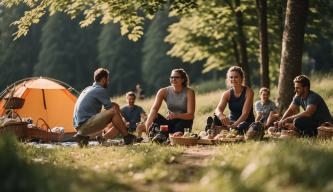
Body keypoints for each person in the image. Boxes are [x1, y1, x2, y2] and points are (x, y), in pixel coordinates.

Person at [73, 68, 136, 147]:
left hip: (80, 126)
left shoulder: (88, 89)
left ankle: (88, 138)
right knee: (114, 111)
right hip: (85, 126)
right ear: (103, 79)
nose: (108, 82)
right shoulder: (100, 90)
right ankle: (127, 137)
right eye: (107, 79)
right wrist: (121, 114)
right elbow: (112, 108)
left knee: (116, 116)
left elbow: (108, 107)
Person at [145, 68, 195, 142]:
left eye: (177, 77)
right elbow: (154, 109)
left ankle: (169, 135)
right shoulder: (163, 91)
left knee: (177, 135)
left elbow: (191, 115)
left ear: (183, 79)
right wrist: (147, 127)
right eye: (172, 77)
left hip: (184, 122)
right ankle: (160, 134)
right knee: (154, 114)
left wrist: (176, 115)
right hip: (170, 121)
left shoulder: (189, 92)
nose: (173, 79)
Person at [214, 66, 255, 134]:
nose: (233, 79)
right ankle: (218, 129)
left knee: (242, 126)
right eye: (231, 77)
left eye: (236, 77)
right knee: (216, 118)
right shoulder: (226, 94)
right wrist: (220, 114)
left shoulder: (249, 92)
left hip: (246, 122)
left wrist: (234, 126)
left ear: (241, 78)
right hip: (231, 122)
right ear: (228, 79)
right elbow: (218, 109)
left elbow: (245, 114)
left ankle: (224, 130)